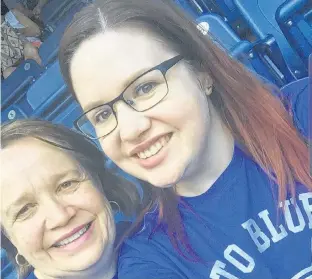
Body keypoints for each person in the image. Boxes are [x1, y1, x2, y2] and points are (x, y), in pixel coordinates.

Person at [58, 0, 311, 278]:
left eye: (145, 87)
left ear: (202, 72)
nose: (129, 130)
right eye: (102, 115)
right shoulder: (150, 258)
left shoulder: (301, 114)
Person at [1, 119, 141, 279]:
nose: (60, 217)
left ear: (98, 182)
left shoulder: (166, 237)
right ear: (10, 239)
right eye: (25, 210)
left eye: (66, 184)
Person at [1, 0, 42, 78]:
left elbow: (37, 31)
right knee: (7, 73)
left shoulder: (12, 15)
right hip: (16, 64)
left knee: (29, 48)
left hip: (32, 46)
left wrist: (14, 32)